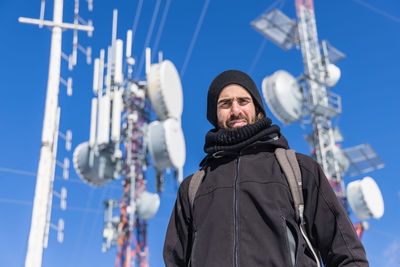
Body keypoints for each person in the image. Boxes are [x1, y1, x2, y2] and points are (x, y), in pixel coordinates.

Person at [163, 70, 368, 267]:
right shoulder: (193, 187)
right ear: (214, 115)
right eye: (225, 104)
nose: (235, 110)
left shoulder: (299, 170)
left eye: (243, 101)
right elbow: (174, 261)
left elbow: (346, 252)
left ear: (258, 110)